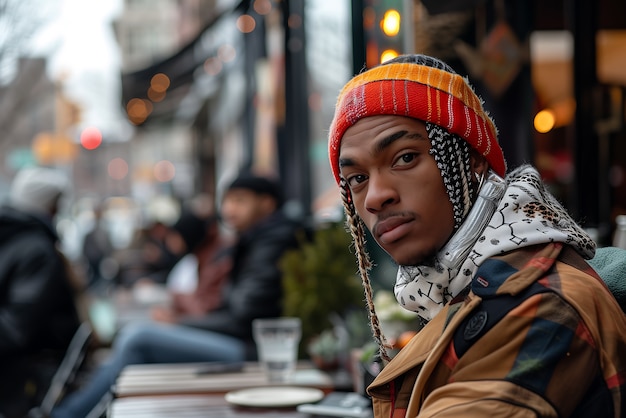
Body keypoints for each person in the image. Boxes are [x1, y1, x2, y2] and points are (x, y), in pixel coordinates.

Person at [328, 54, 626, 417]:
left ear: (473, 159)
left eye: (405, 158)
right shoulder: (460, 287)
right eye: (357, 179)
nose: (375, 197)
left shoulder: (538, 302)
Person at [51, 171, 303, 418]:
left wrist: (180, 323)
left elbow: (243, 316)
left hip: (255, 352)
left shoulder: (272, 243)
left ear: (267, 204)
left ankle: (67, 414)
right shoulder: (253, 240)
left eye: (239, 200)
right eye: (226, 200)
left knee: (139, 338)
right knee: (133, 339)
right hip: (249, 343)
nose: (229, 209)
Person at [0, 167, 82, 417]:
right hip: (29, 378)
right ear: (49, 207)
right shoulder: (37, 249)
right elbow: (17, 327)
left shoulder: (10, 237)